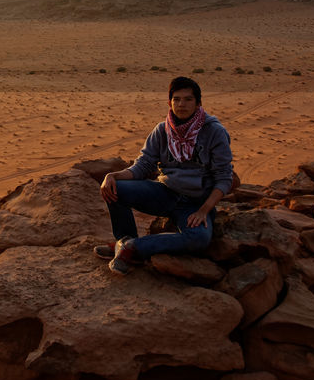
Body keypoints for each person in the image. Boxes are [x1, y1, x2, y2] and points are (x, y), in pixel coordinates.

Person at [96, 75, 233, 274]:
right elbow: (143, 165)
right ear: (169, 102)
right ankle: (123, 240)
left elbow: (224, 177)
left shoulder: (214, 132)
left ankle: (133, 247)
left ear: (198, 103)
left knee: (199, 239)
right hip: (165, 192)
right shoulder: (162, 130)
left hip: (195, 202)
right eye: (176, 99)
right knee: (114, 189)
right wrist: (113, 176)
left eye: (188, 99)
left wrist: (204, 210)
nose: (181, 104)